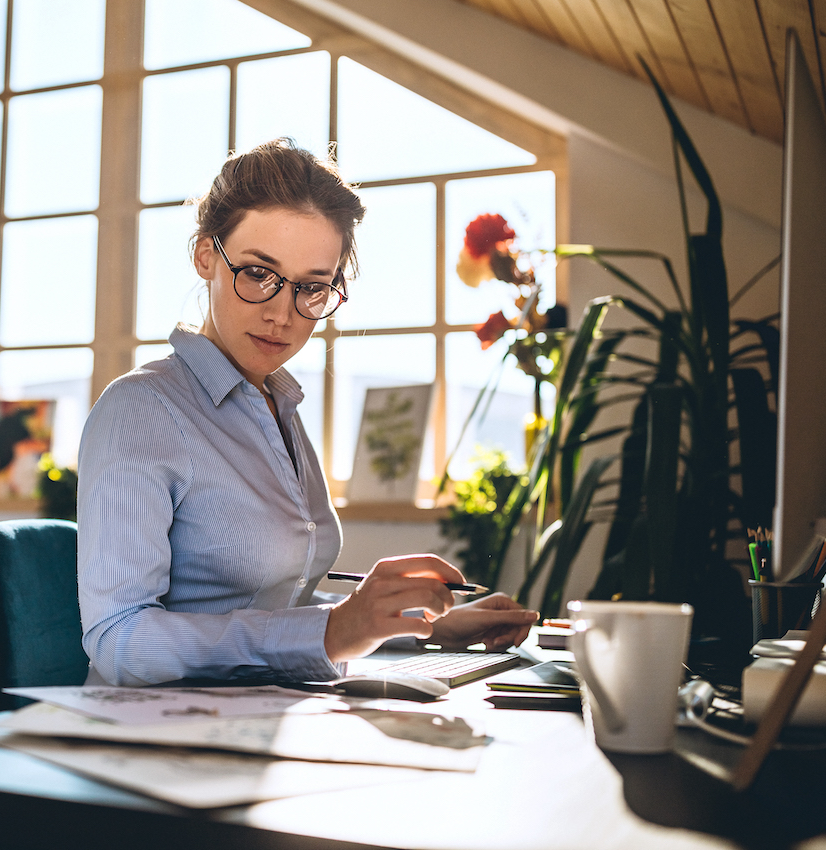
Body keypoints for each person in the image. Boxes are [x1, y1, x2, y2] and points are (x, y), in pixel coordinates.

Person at [78, 139, 538, 686]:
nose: (281, 315)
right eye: (257, 273)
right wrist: (333, 631)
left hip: (266, 722)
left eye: (312, 288)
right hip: (158, 740)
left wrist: (422, 624)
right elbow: (119, 639)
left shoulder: (278, 407)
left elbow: (277, 599)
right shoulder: (143, 407)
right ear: (206, 255)